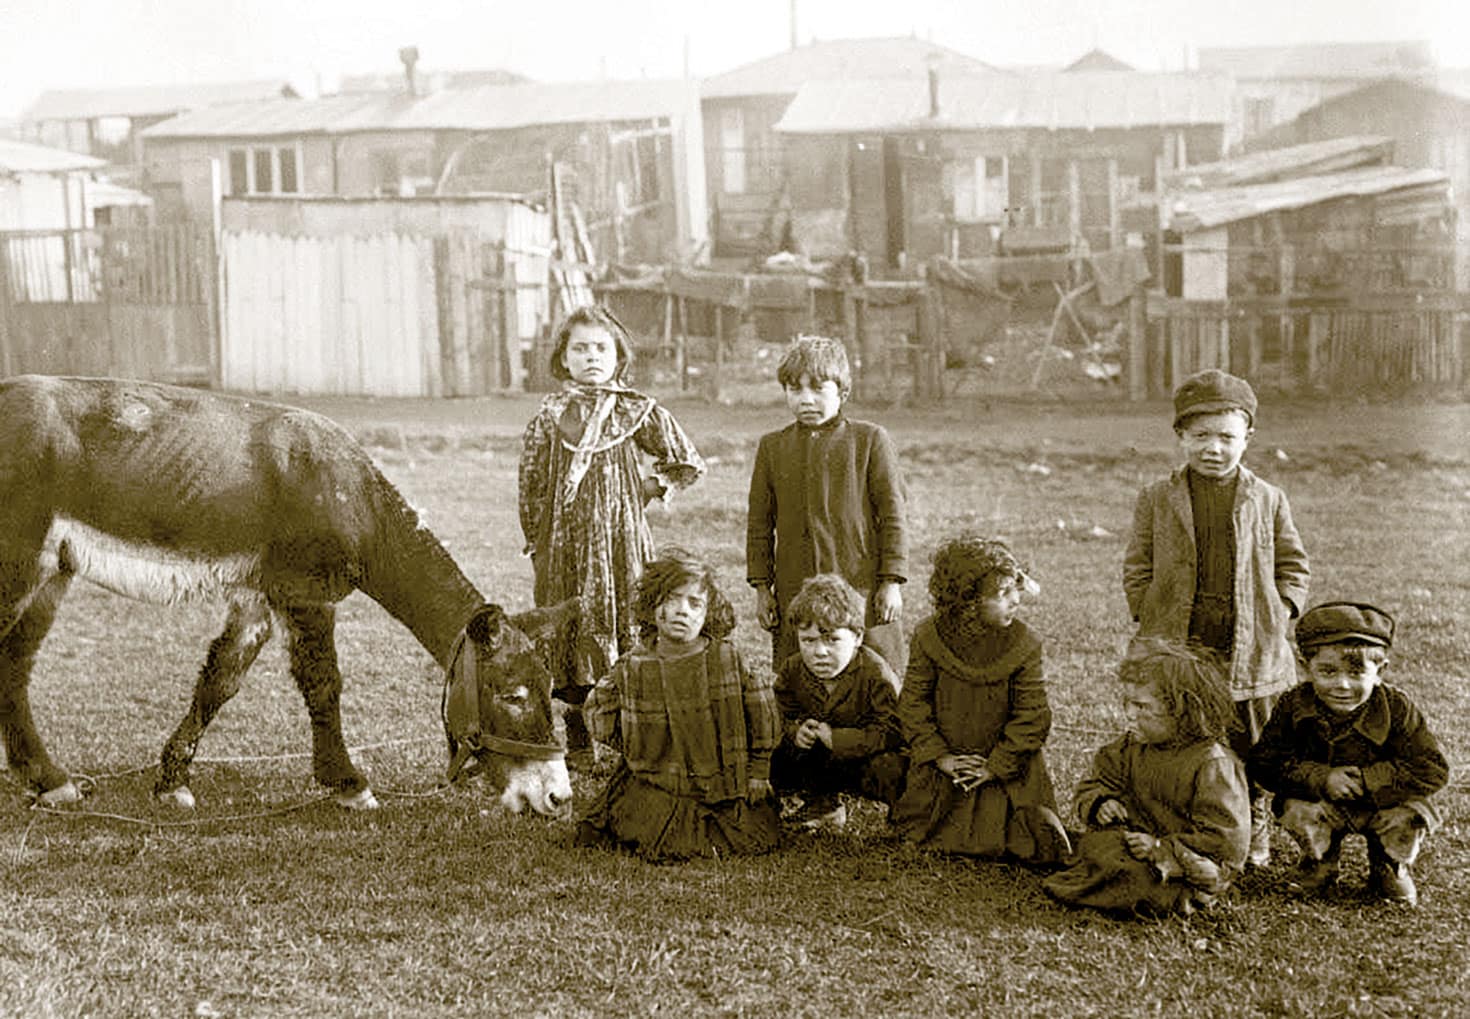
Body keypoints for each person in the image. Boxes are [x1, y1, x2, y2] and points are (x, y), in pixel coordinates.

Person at [1123, 368, 1310, 867]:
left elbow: (1293, 564)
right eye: (1201, 436)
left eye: (1227, 437)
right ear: (1181, 437)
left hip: (1249, 640)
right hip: (1182, 637)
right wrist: (1147, 609)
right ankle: (1188, 817)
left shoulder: (1268, 498)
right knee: (1186, 725)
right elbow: (1137, 564)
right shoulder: (1157, 498)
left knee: (1250, 738)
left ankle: (1252, 820)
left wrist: (1281, 609)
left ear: (1247, 438)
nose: (1214, 448)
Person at [519, 306, 705, 763]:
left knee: (627, 623)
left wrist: (647, 488)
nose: (591, 357)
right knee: (569, 629)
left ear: (618, 356)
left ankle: (630, 735)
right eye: (580, 348)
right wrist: (537, 541)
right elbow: (531, 483)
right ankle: (578, 734)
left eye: (601, 348)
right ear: (563, 358)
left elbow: (685, 461)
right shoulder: (550, 414)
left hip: (623, 545)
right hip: (564, 547)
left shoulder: (634, 410)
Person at [575, 548, 781, 862]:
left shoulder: (727, 659)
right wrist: (636, 745)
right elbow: (597, 713)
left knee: (739, 830)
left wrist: (759, 771)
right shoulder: (634, 665)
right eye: (671, 599)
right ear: (652, 605)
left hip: (722, 783)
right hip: (658, 778)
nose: (682, 611)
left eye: (694, 603)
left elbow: (763, 714)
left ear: (708, 612)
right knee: (641, 823)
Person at [1249, 602, 1447, 907]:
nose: (1342, 684)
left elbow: (1432, 768)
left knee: (1408, 816)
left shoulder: (1397, 709)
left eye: (1357, 672)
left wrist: (1369, 780)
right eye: (1327, 671)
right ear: (1305, 666)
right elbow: (1264, 762)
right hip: (1323, 802)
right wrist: (1322, 778)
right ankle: (1320, 861)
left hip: (1385, 803)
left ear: (1380, 671)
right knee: (1297, 809)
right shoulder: (1293, 705)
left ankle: (1388, 864)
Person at [891, 535, 1070, 865]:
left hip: (1006, 763)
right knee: (920, 826)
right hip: (947, 761)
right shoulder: (928, 636)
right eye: (1003, 594)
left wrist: (995, 766)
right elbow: (913, 704)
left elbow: (1032, 716)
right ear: (968, 602)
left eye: (1016, 589)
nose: (1015, 600)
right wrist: (940, 757)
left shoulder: (1025, 643)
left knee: (1026, 837)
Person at [1043, 641, 1250, 916]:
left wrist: (1160, 848)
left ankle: (1157, 891)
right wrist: (1101, 802)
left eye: (1142, 706)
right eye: (1128, 703)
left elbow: (1225, 842)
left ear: (1182, 710)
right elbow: (1095, 783)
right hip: (1133, 844)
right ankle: (1113, 880)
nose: (1129, 714)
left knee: (1142, 877)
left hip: (1183, 862)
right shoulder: (1130, 746)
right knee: (1101, 846)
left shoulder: (1213, 764)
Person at [746, 335, 909, 676]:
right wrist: (763, 588)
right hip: (796, 584)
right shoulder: (773, 447)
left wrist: (890, 581)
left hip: (859, 583)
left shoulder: (869, 441)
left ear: (843, 392)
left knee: (873, 671)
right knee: (801, 670)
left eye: (818, 389)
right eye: (795, 389)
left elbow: (893, 516)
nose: (806, 399)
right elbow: (760, 524)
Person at [770, 574, 907, 830]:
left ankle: (904, 816)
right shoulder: (792, 669)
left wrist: (839, 739)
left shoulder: (877, 675)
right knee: (773, 752)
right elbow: (780, 713)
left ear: (857, 637)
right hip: (820, 758)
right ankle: (822, 804)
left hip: (865, 758)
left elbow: (893, 731)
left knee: (890, 767)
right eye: (808, 640)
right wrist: (796, 731)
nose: (819, 652)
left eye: (832, 640)